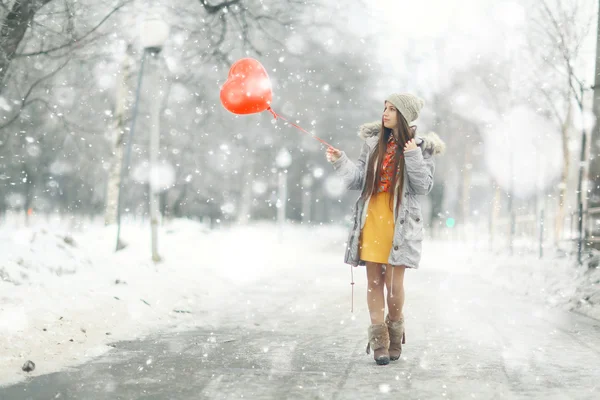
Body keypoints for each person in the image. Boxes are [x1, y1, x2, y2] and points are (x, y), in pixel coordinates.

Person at [326, 93, 445, 365]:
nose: (386, 113)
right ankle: (379, 342)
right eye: (385, 108)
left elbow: (423, 186)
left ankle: (395, 332)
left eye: (392, 109)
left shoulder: (422, 147)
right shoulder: (372, 143)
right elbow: (358, 180)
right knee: (374, 281)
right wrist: (339, 160)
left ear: (403, 115)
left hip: (400, 222)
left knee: (394, 284)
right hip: (373, 218)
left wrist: (413, 153)